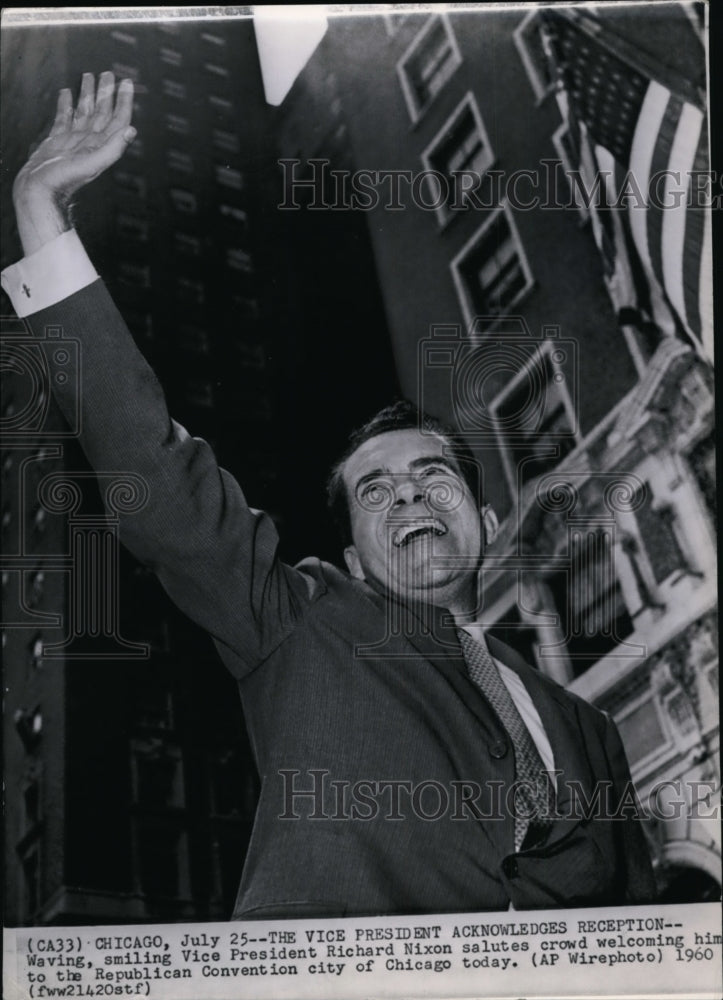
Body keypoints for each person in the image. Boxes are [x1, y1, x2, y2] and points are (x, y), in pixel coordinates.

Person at [3, 73, 656, 919]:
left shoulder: (588, 732)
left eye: (433, 475)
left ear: (488, 520)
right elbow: (159, 481)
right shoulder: (297, 622)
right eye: (374, 491)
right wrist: (42, 216)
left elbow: (641, 928)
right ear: (351, 556)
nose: (408, 496)